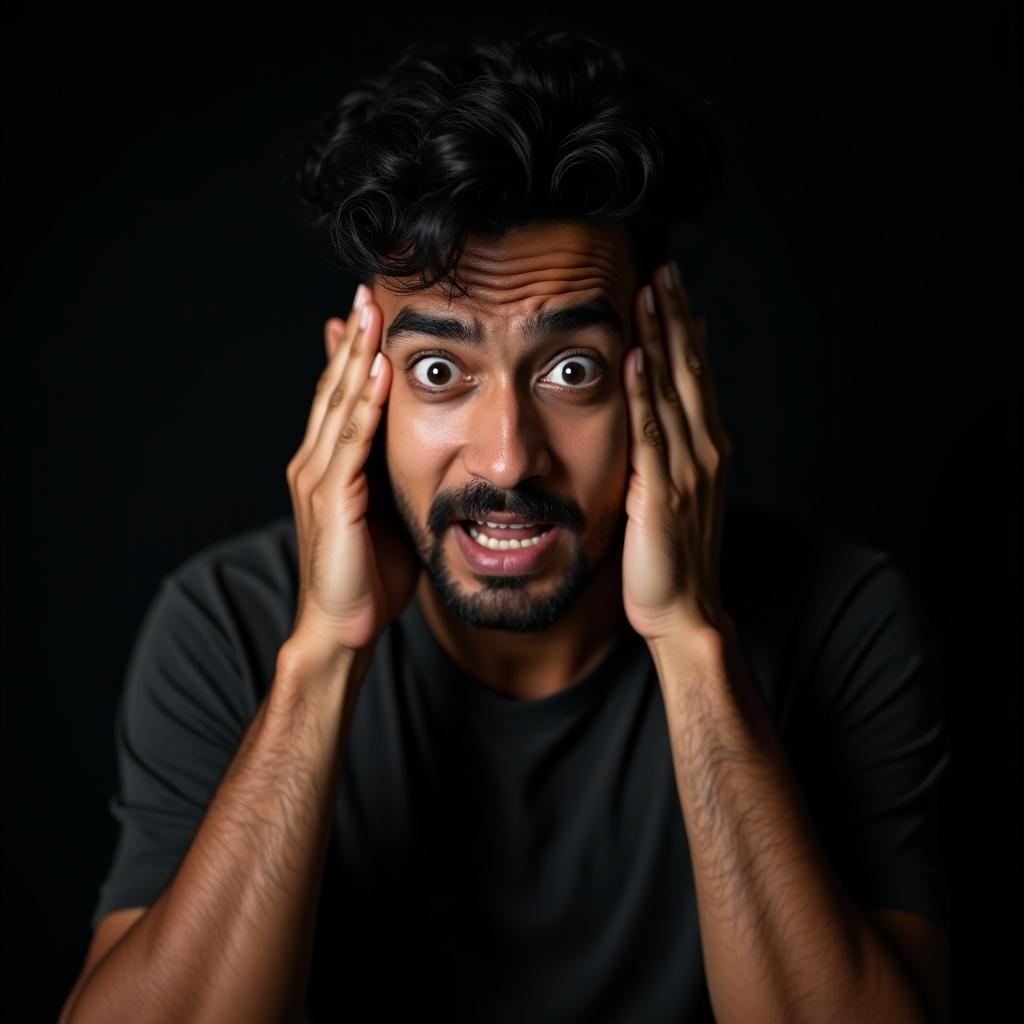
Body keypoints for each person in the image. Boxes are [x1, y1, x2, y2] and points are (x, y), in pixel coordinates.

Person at [59, 20, 953, 1024]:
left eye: (570, 369)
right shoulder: (226, 623)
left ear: (667, 369)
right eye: (440, 372)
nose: (506, 457)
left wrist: (693, 644)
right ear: (355, 381)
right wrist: (320, 660)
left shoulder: (842, 620)